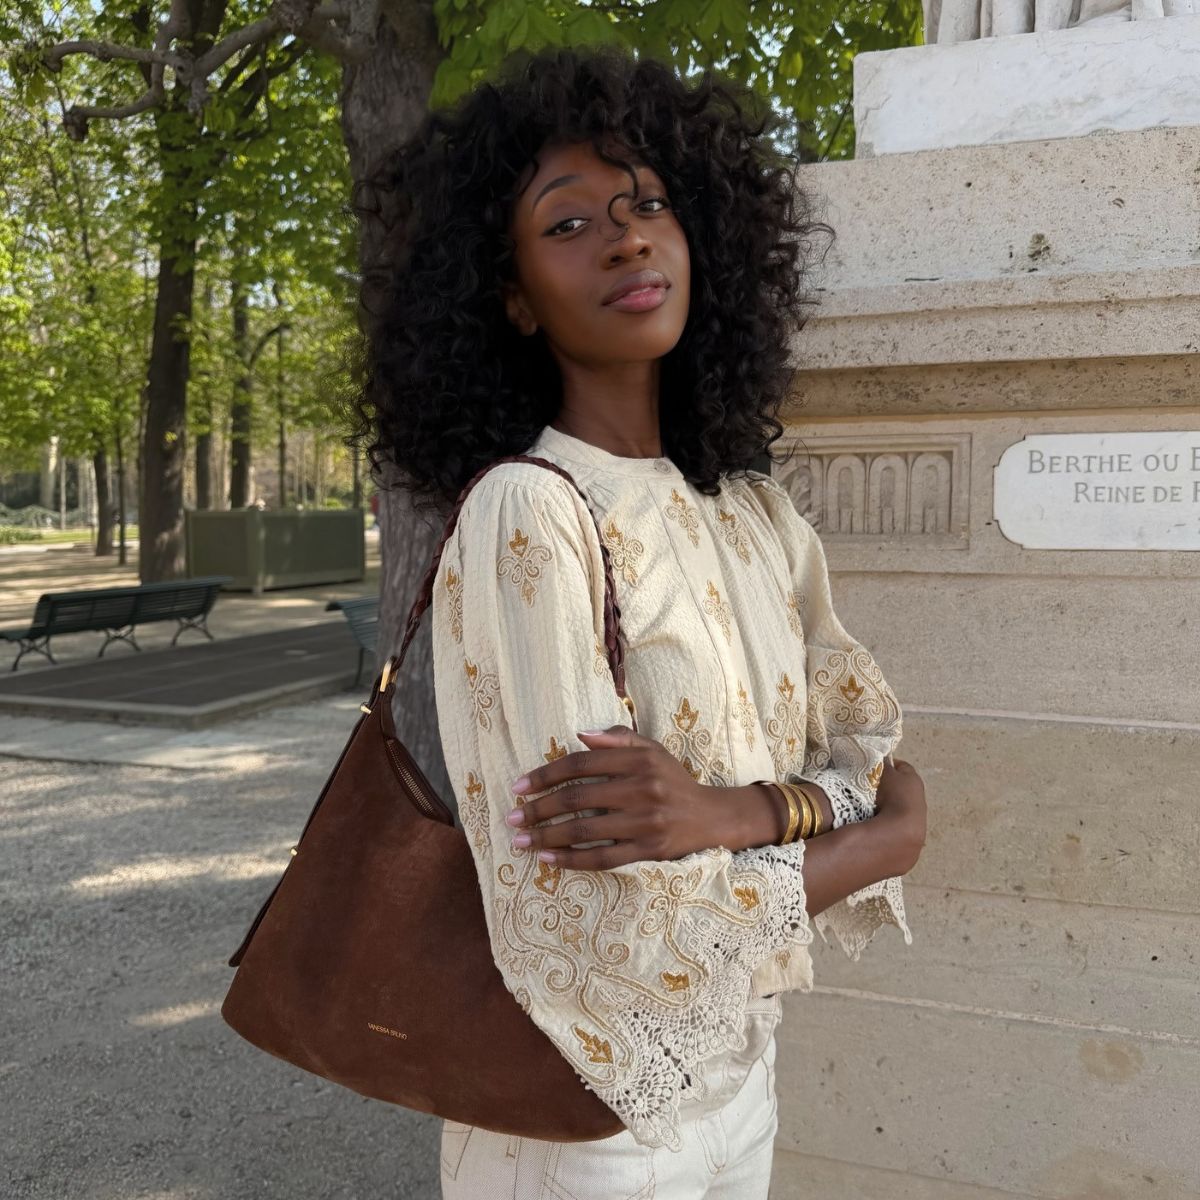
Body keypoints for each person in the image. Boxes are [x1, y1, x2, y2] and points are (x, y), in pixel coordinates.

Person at [348, 44, 928, 1199]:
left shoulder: (756, 515)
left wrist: (738, 810)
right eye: (568, 224)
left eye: (649, 203)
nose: (626, 237)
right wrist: (874, 838)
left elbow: (867, 752)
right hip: (582, 1126)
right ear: (508, 293)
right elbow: (602, 927)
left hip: (745, 1083)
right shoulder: (532, 515)